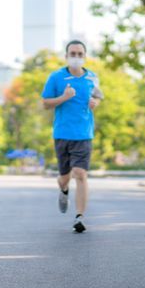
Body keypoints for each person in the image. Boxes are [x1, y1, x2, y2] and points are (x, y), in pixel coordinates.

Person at [42, 40, 102, 233]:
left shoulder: (92, 77)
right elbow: (45, 103)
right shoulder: (56, 77)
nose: (76, 57)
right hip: (62, 134)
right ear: (66, 56)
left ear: (85, 55)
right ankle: (64, 189)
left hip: (84, 134)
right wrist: (64, 98)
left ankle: (79, 216)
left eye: (79, 53)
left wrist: (95, 102)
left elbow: (98, 96)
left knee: (81, 174)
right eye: (72, 53)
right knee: (64, 177)